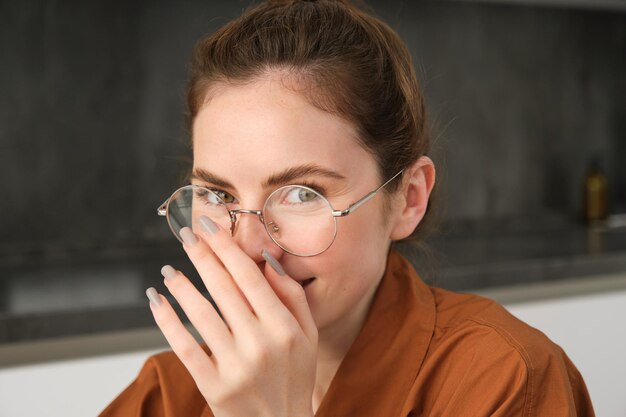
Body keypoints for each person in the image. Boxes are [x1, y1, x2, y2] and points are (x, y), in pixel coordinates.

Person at [100, 0, 595, 416]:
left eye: (301, 194)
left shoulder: (505, 378)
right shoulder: (168, 394)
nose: (248, 247)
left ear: (408, 198)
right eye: (219, 196)